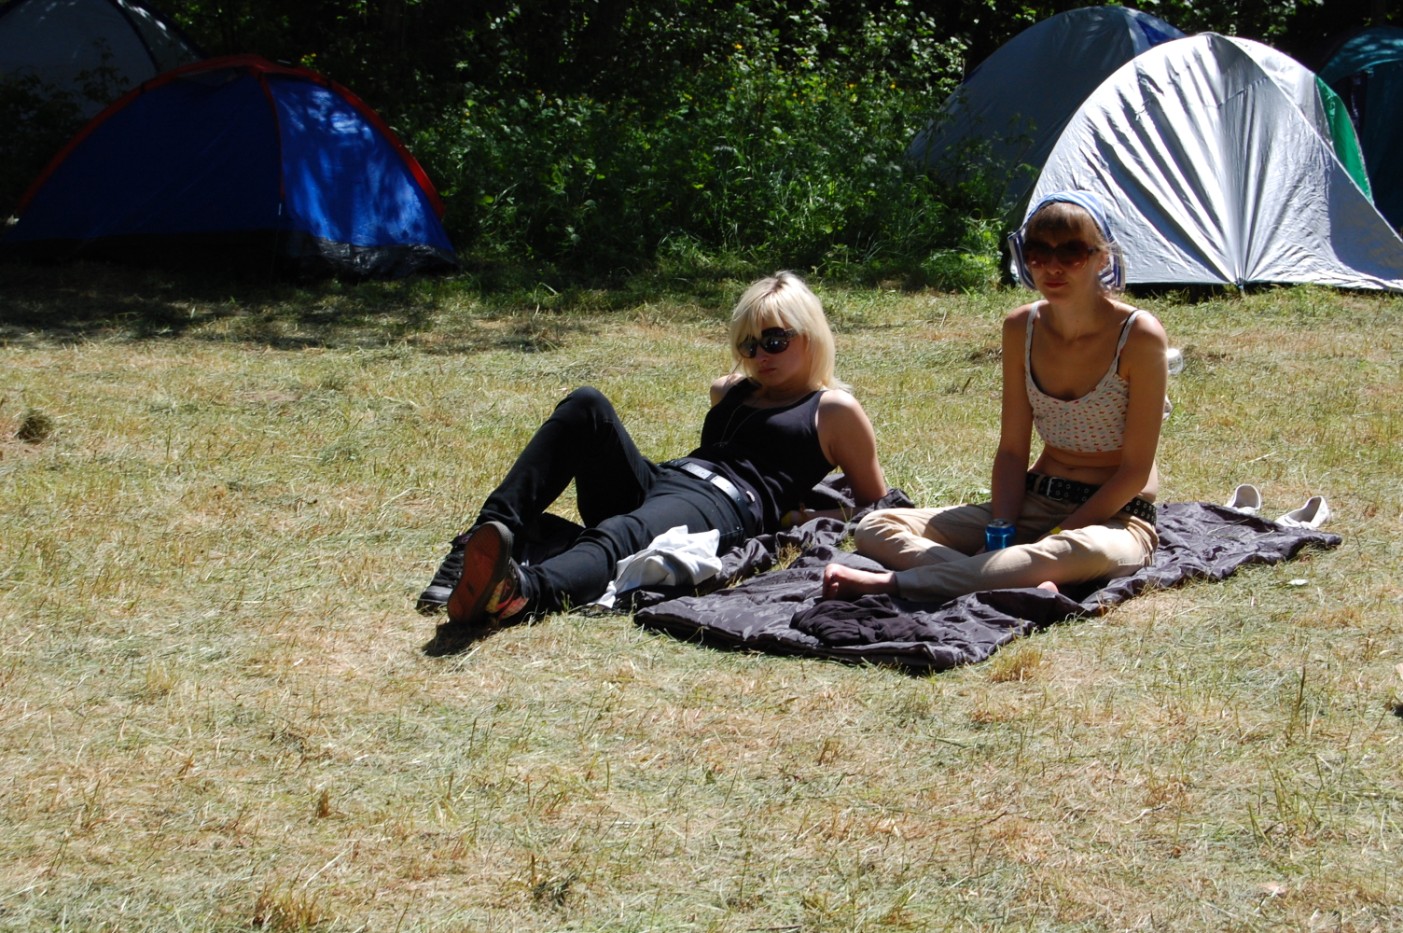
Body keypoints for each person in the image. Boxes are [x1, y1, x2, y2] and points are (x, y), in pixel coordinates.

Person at [420, 271, 888, 634]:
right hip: (668, 479)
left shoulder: (833, 410)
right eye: (749, 344)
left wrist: (799, 516)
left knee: (622, 532)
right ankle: (475, 543)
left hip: (724, 503)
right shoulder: (729, 390)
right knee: (586, 405)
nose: (761, 355)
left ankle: (519, 593)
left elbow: (877, 504)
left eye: (775, 340)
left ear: (810, 336)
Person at [822, 190, 1169, 603]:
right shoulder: (1021, 327)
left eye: (1071, 252)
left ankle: (900, 583)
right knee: (875, 527)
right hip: (1035, 500)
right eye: (1038, 252)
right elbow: (1011, 450)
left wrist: (1059, 533)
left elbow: (1134, 471)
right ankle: (1012, 573)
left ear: (1102, 258)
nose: (1052, 266)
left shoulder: (1139, 335)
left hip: (1117, 517)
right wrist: (1002, 528)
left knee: (1076, 550)